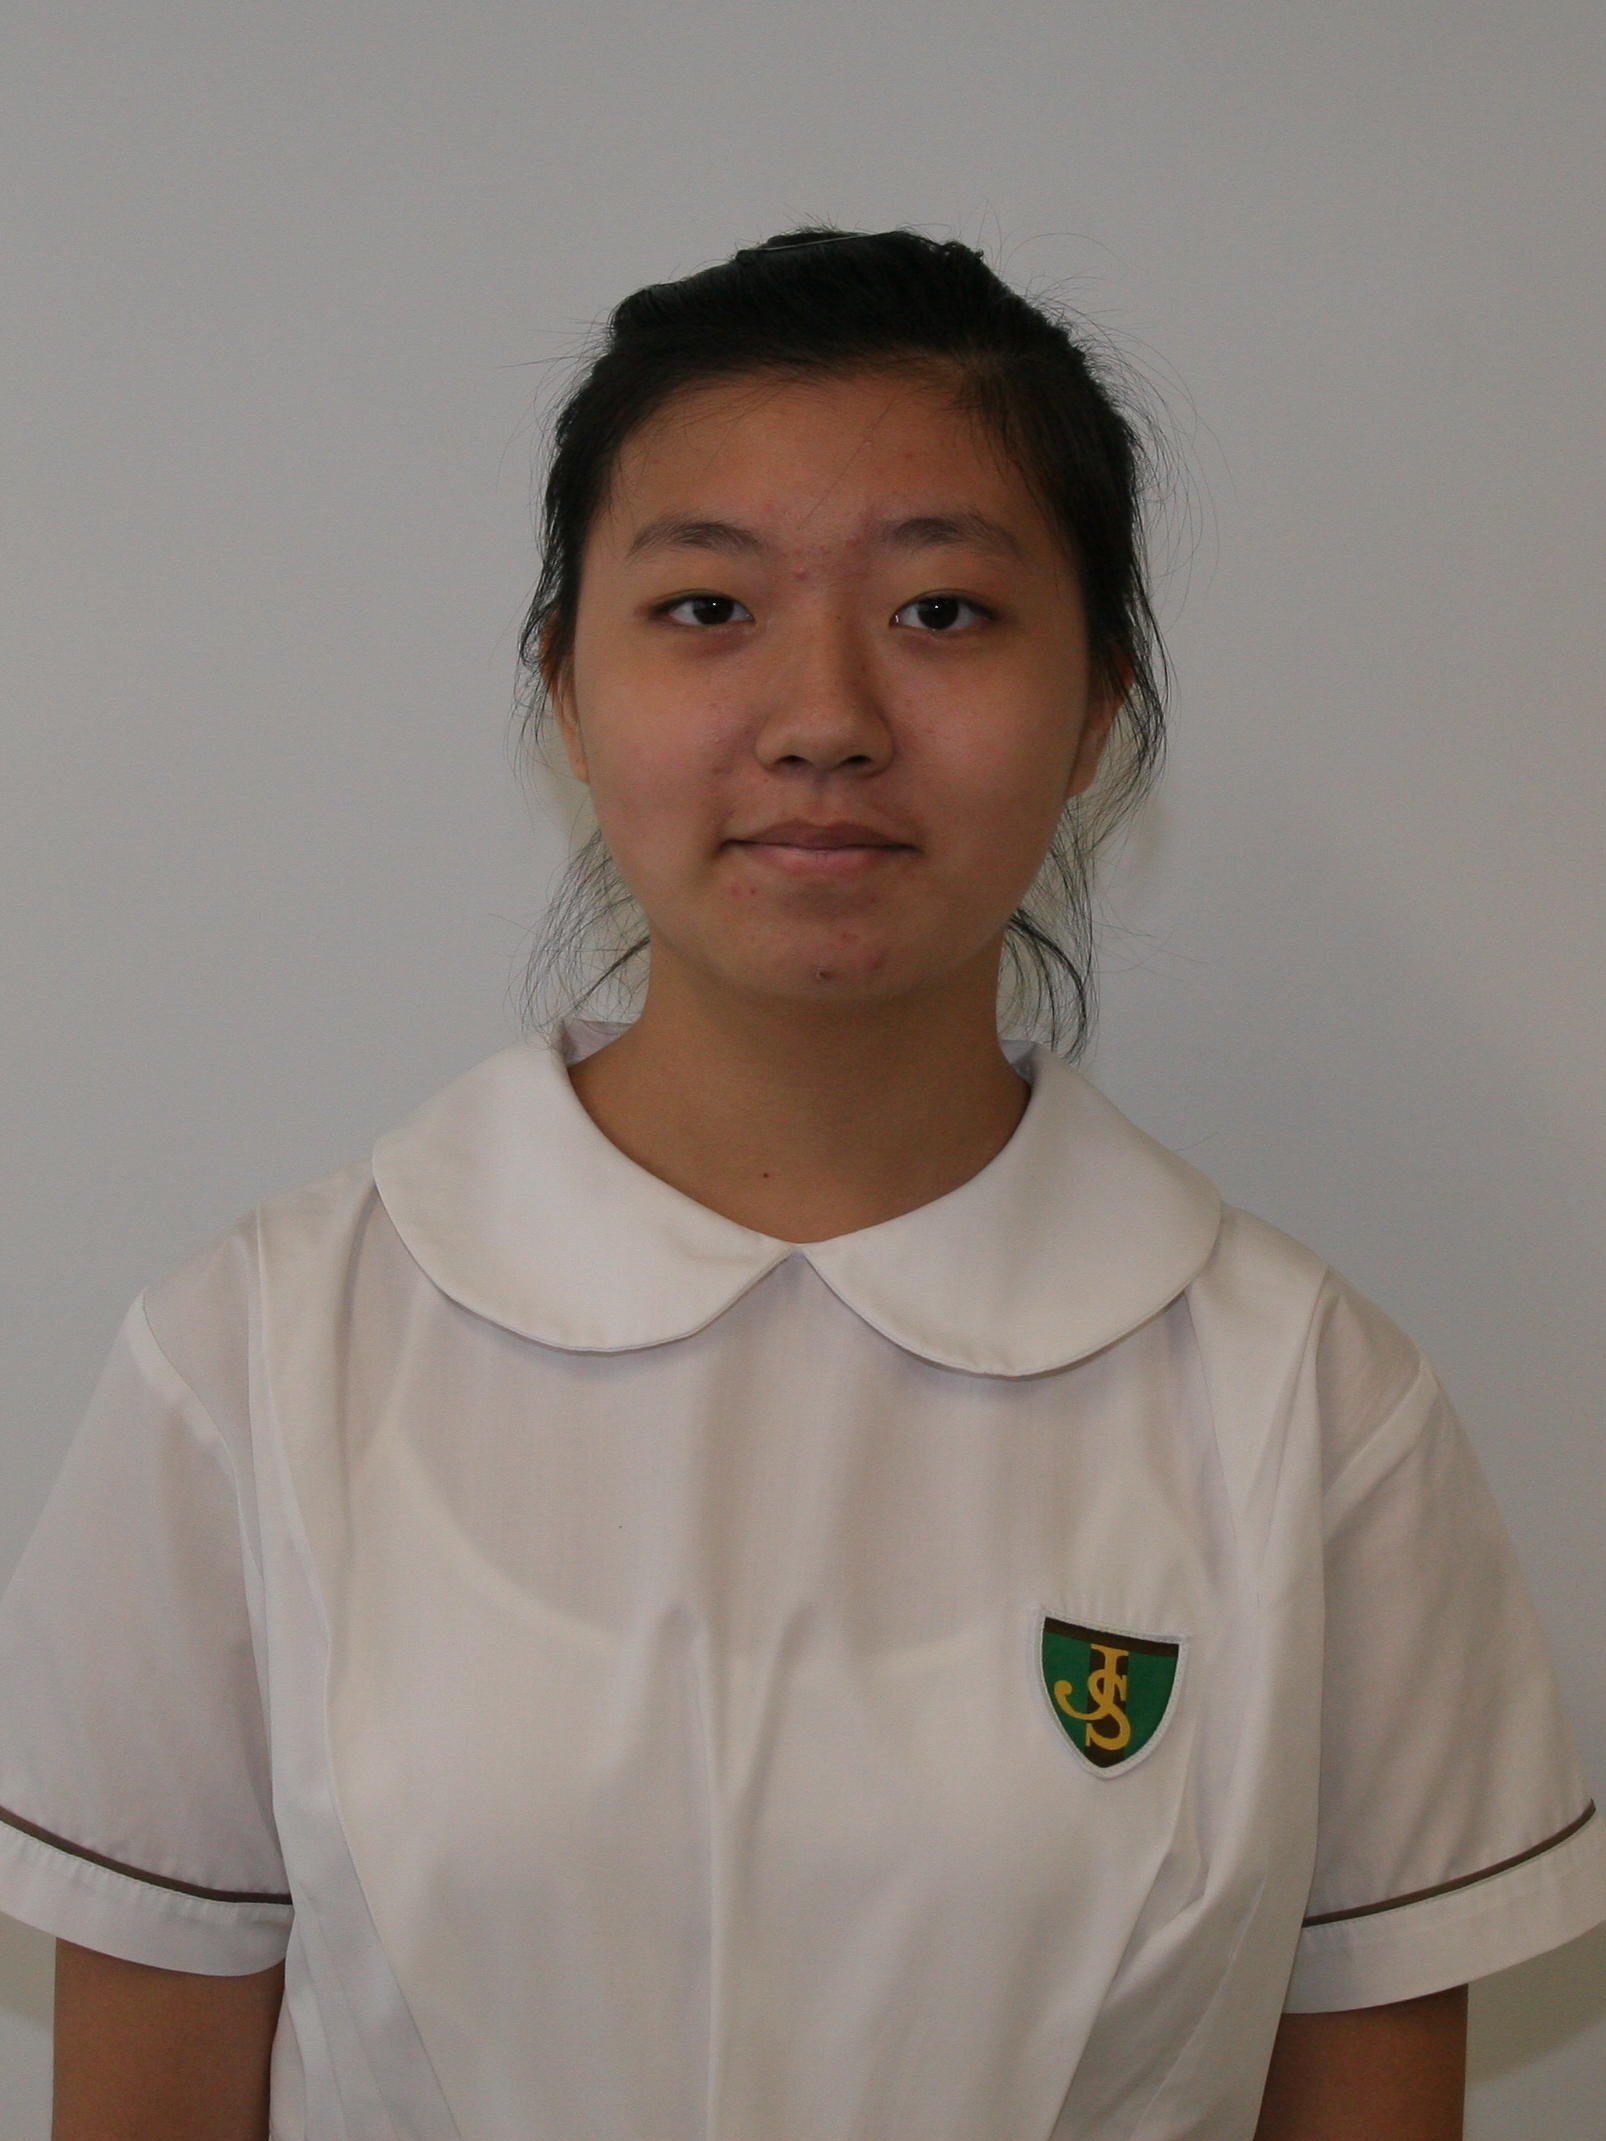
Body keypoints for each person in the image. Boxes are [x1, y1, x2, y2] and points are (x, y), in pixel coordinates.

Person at [2, 224, 1602, 2141]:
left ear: (1096, 705)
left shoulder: (1312, 1410)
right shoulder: (253, 1365)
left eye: (942, 609)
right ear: (565, 690)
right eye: (706, 606)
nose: (826, 714)